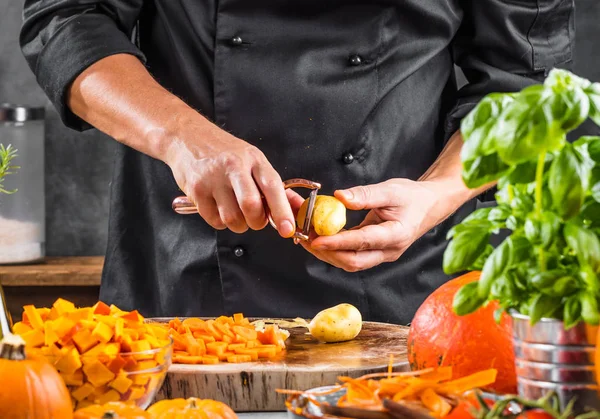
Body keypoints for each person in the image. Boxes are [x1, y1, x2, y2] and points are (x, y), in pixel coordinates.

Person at [20, 0, 575, 325]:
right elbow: (67, 19)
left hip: (407, 280)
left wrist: (439, 193)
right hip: (186, 268)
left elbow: (524, 76)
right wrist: (182, 137)